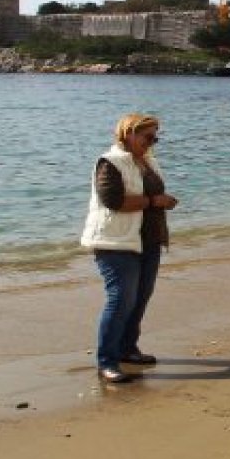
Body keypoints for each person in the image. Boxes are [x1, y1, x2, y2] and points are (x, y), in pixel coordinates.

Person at [81, 113, 179, 383]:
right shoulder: (109, 162)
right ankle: (107, 362)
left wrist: (161, 203)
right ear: (128, 133)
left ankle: (127, 349)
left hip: (147, 241)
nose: (152, 142)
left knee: (139, 298)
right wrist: (155, 201)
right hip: (115, 242)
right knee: (121, 299)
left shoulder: (148, 162)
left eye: (155, 137)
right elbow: (113, 201)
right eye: (148, 137)